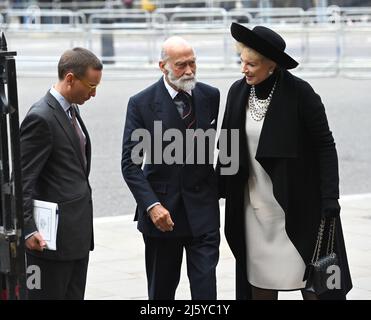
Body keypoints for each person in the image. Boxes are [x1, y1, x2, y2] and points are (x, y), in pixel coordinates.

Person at [216, 23, 352, 300]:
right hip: (254, 211)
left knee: (315, 283)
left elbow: (325, 145)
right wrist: (215, 188)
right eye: (242, 62)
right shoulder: (237, 92)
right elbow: (228, 146)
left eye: (252, 64)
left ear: (272, 65)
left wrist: (330, 197)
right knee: (259, 283)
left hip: (298, 207)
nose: (244, 70)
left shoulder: (301, 93)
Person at [121, 36, 220, 300]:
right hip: (163, 215)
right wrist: (152, 206)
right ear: (162, 66)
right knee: (162, 293)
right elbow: (130, 165)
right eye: (180, 65)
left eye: (192, 63)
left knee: (206, 292)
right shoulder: (141, 103)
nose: (189, 71)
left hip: (203, 212)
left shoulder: (210, 95)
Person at [20, 47, 103, 299]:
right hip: (50, 243)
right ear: (70, 79)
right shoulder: (41, 117)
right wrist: (28, 229)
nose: (94, 93)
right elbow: (23, 179)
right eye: (90, 86)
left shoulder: (71, 110)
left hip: (75, 238)